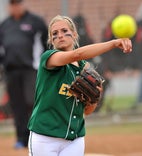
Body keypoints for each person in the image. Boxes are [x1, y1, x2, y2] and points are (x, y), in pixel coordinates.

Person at [27, 15, 132, 156]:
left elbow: (87, 111)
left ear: (75, 34)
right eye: (55, 34)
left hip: (74, 139)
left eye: (64, 31)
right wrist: (113, 43)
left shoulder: (85, 69)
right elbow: (76, 55)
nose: (60, 36)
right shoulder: (49, 58)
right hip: (45, 138)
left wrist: (94, 98)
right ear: (51, 40)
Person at [0, 0, 48, 149]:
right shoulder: (5, 25)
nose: (15, 7)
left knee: (32, 102)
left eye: (18, 3)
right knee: (17, 105)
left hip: (31, 70)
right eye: (12, 4)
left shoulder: (36, 22)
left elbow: (46, 45)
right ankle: (21, 137)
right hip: (11, 71)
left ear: (23, 4)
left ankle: (38, 136)